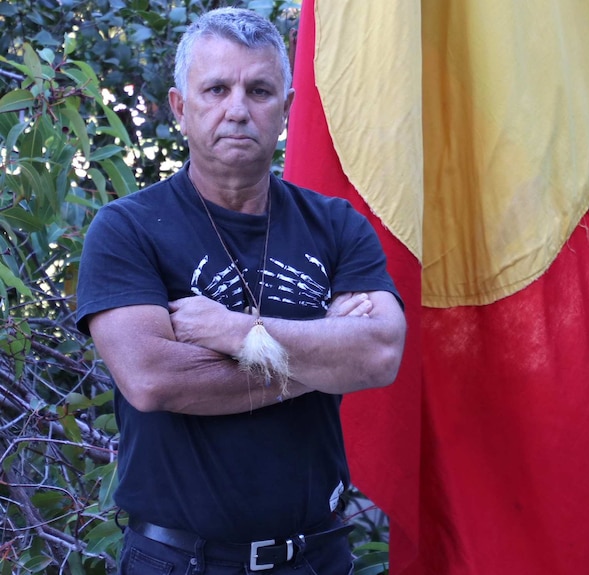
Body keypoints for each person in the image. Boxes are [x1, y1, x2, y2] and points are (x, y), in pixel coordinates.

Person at [75, 7, 406, 575]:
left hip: (316, 556)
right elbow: (154, 379)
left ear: (286, 106)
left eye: (258, 90)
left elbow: (379, 353)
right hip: (177, 560)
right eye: (216, 88)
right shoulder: (127, 228)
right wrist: (323, 356)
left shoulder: (337, 225)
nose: (237, 109)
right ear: (180, 107)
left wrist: (238, 332)